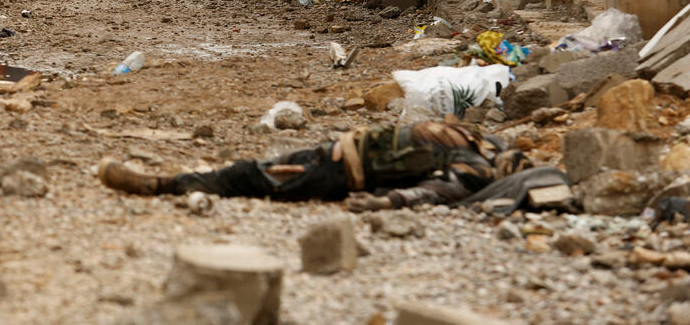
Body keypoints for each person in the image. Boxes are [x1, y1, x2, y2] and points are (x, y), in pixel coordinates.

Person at [98, 122, 533, 212]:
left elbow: (438, 192)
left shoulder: (475, 168)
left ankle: (156, 185)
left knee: (247, 177)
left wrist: (384, 203)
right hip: (337, 151)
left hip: (341, 175)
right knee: (263, 167)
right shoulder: (478, 139)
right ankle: (177, 181)